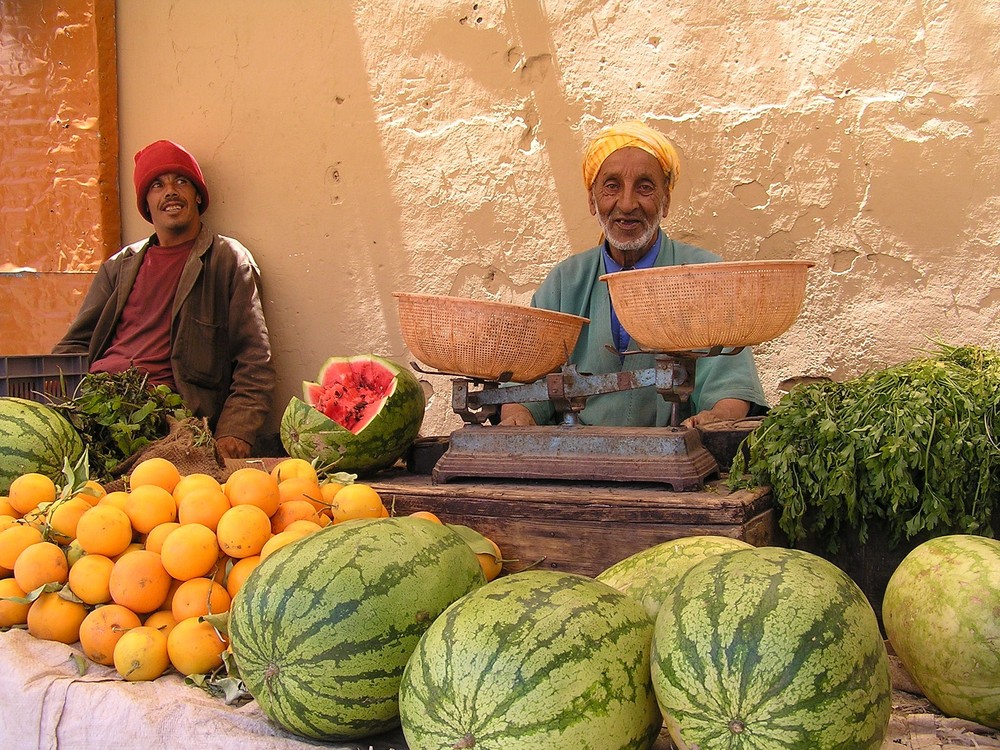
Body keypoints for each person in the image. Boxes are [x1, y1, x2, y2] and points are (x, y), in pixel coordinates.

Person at [500, 120, 767, 428]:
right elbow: (521, 390)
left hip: (676, 453)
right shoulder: (564, 283)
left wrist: (717, 418)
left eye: (645, 187)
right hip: (575, 462)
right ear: (592, 200)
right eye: (612, 186)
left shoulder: (706, 277)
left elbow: (731, 389)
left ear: (665, 200)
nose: (626, 204)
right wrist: (518, 418)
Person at [53, 139, 275, 459]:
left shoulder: (228, 260)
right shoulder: (119, 267)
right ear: (146, 203)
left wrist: (234, 431)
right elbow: (72, 348)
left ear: (197, 195)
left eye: (181, 181)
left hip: (164, 418)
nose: (170, 190)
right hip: (95, 405)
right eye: (157, 184)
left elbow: (255, 360)